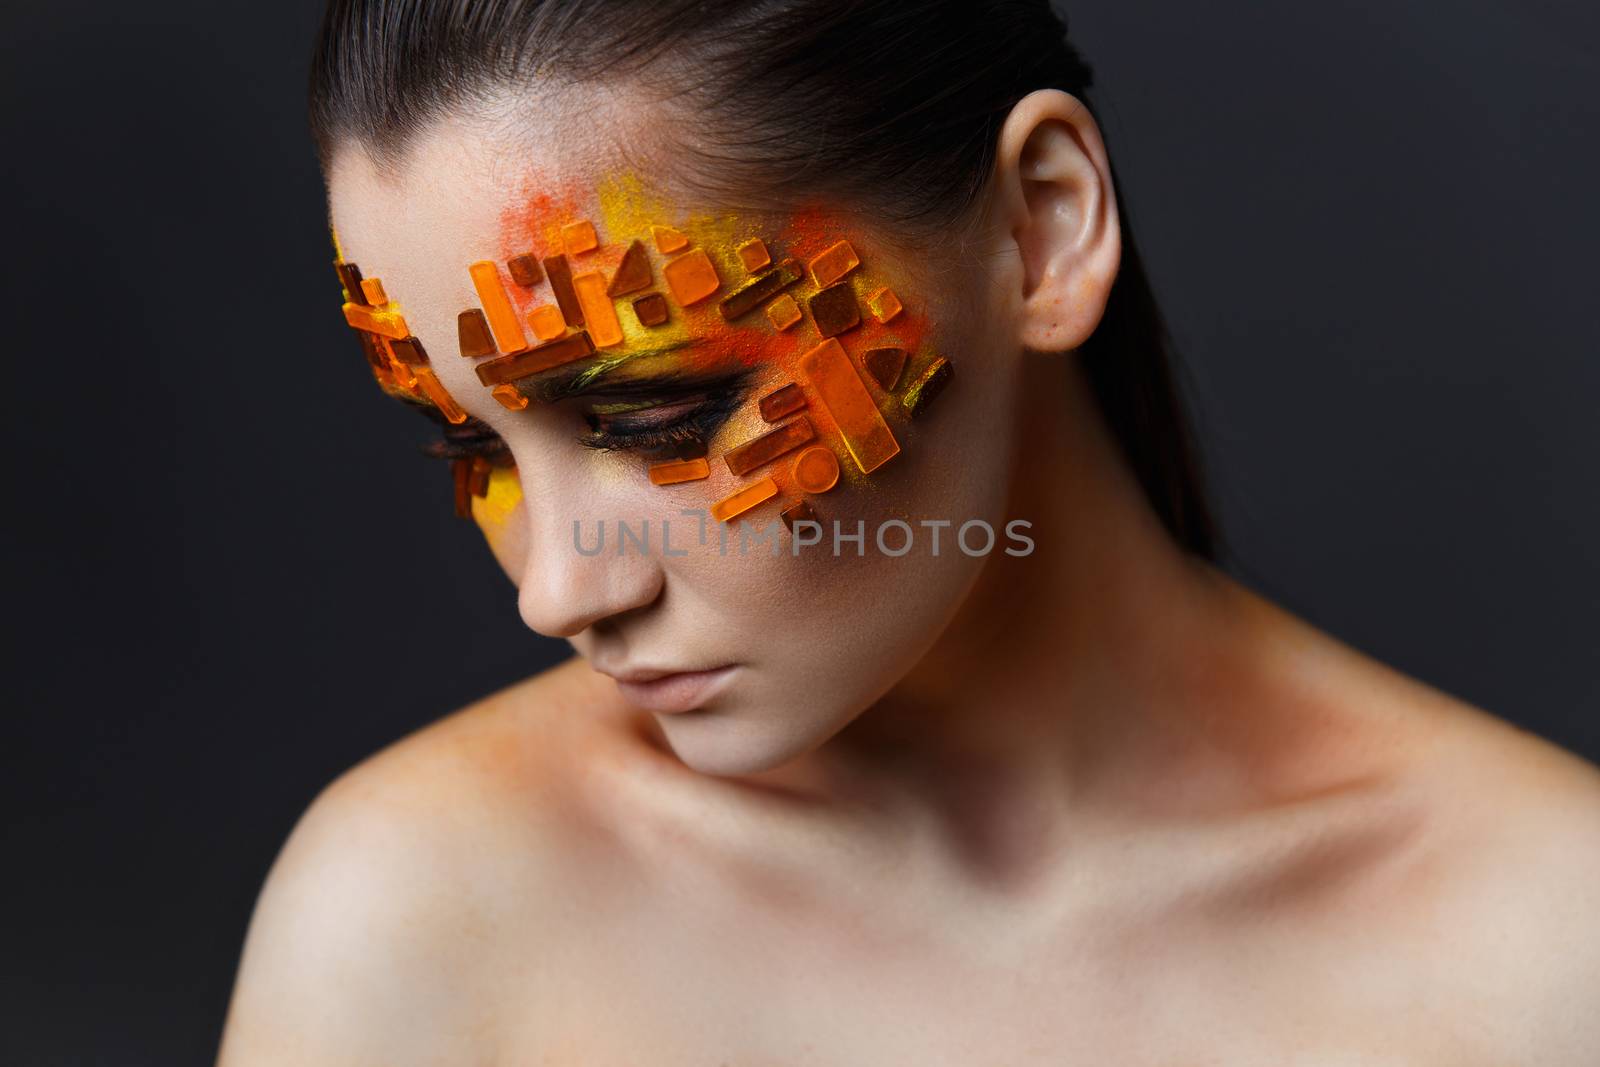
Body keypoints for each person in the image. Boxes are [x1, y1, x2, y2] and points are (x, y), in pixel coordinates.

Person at [217, 1, 1600, 1062]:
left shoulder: (1552, 944)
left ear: (1040, 231)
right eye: (473, 442)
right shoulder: (420, 913)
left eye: (658, 414)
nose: (558, 588)